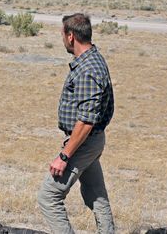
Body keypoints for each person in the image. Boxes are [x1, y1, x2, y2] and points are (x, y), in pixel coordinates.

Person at [37, 13, 115, 233]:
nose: (62, 39)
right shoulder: (93, 59)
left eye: (62, 34)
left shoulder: (88, 69)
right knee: (96, 195)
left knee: (48, 198)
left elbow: (86, 121)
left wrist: (64, 156)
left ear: (70, 36)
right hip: (91, 141)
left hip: (84, 141)